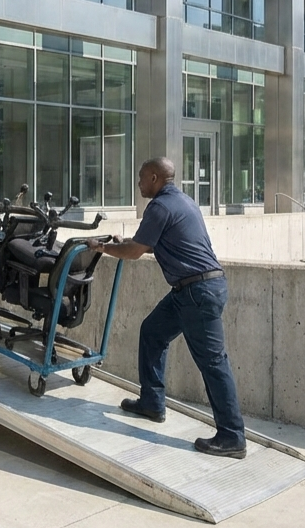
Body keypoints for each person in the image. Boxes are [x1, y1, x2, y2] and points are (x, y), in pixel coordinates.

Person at [87, 156, 246, 459]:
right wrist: (128, 242)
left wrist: (104, 247)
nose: (138, 184)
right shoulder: (184, 201)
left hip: (197, 293)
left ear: (155, 178)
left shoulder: (159, 207)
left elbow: (134, 252)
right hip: (194, 289)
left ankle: (232, 436)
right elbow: (148, 243)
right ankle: (151, 402)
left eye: (141, 178)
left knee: (213, 362)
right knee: (152, 332)